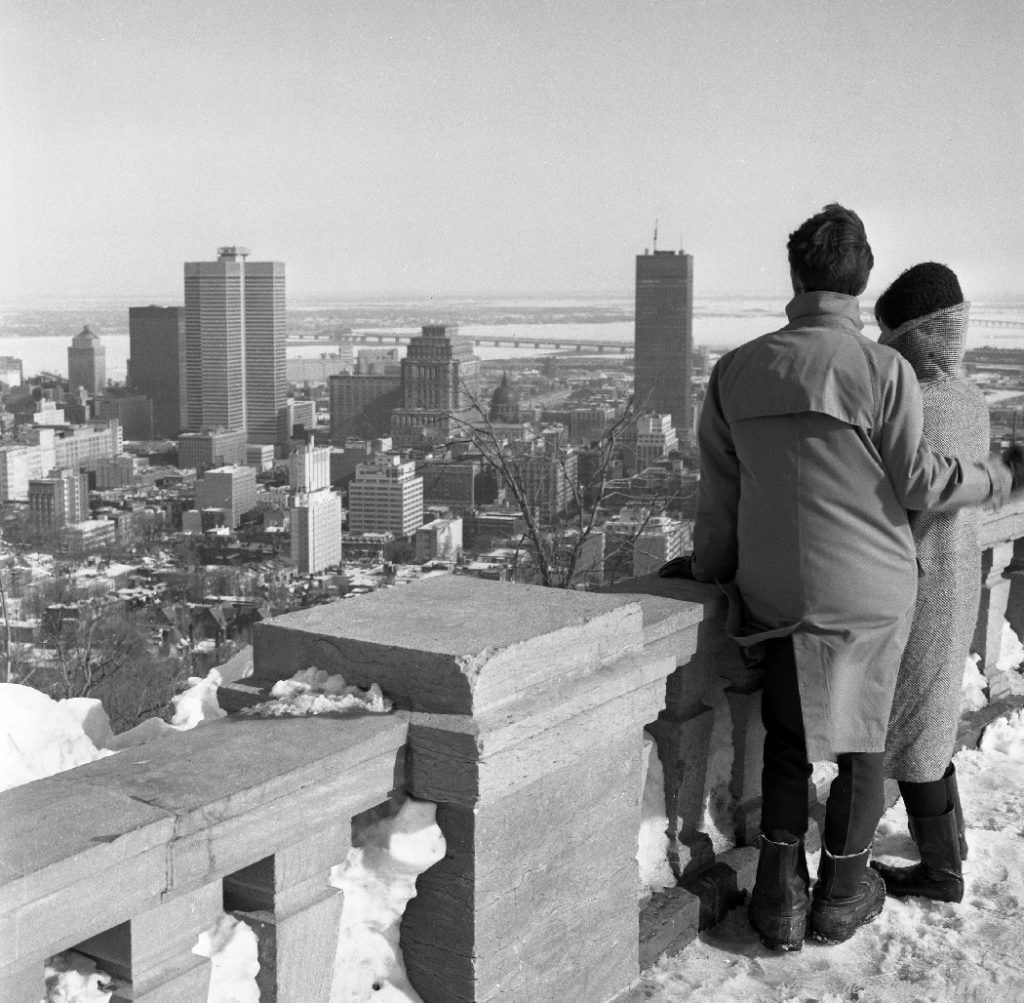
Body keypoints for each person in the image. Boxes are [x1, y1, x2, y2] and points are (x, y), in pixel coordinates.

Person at [661, 204, 1018, 952]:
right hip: (873, 592)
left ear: (795, 275)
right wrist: (996, 476)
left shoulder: (735, 370)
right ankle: (842, 892)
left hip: (776, 593)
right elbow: (921, 482)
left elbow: (718, 500)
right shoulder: (886, 370)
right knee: (862, 744)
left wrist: (713, 575)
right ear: (859, 285)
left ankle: (779, 898)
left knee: (789, 739)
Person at [868, 263, 983, 903]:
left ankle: (942, 873)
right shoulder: (969, 398)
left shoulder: (910, 403)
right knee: (933, 718)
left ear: (908, 334)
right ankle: (953, 843)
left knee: (915, 729)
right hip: (958, 573)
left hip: (919, 580)